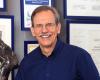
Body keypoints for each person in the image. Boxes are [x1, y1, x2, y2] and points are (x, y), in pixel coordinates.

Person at [15, 6, 100, 80]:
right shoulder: (26, 63)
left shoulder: (80, 57)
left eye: (49, 24)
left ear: (58, 28)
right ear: (33, 31)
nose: (44, 30)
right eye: (39, 25)